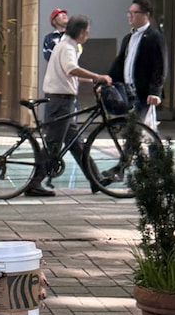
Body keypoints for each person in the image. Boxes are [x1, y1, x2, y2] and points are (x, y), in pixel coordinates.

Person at [25, 13, 113, 198]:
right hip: (61, 101)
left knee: (76, 143)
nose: (88, 35)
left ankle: (95, 179)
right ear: (80, 32)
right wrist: (97, 76)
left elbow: (69, 73)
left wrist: (90, 80)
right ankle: (34, 183)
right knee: (53, 143)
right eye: (87, 31)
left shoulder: (66, 45)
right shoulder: (67, 47)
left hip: (63, 100)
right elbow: (71, 69)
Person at [109, 0, 167, 114]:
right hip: (126, 92)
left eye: (134, 13)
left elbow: (160, 66)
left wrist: (155, 92)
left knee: (141, 124)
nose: (130, 16)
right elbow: (119, 63)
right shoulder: (128, 38)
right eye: (129, 13)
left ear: (146, 15)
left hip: (143, 94)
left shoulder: (154, 37)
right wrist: (107, 81)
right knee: (127, 124)